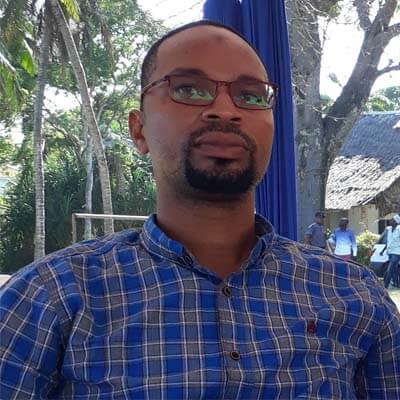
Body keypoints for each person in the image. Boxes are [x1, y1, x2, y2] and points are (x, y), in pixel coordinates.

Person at [1, 20, 399, 399]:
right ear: (139, 130)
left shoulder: (354, 294)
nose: (225, 110)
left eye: (251, 95)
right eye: (190, 89)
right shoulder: (51, 297)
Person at [381, 214, 400, 288]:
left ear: (396, 222)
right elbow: (389, 241)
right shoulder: (389, 230)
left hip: (397, 252)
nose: (390, 221)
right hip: (390, 252)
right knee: (395, 269)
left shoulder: (399, 229)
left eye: (392, 220)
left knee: (390, 268)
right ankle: (397, 284)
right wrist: (383, 250)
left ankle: (385, 285)